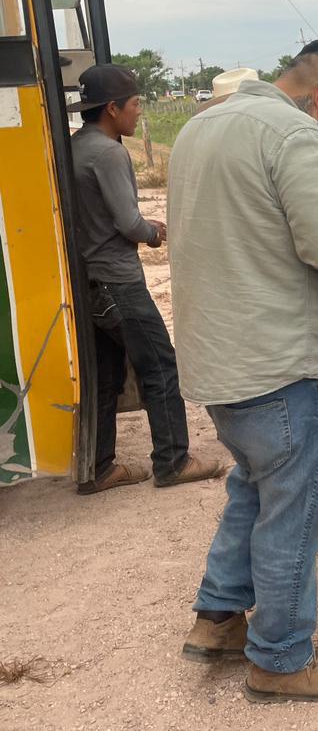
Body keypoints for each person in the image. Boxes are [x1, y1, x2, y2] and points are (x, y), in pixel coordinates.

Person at [167, 38, 318, 704]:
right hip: (284, 363)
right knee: (297, 506)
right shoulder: (294, 132)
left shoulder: (200, 128)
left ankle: (217, 618)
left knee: (256, 487)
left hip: (221, 361)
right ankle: (281, 656)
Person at [69, 65, 221, 495]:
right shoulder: (109, 152)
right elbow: (127, 222)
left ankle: (98, 467)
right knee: (160, 364)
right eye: (135, 105)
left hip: (89, 283)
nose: (139, 113)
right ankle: (173, 461)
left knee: (104, 375)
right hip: (118, 282)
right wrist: (153, 231)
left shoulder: (75, 147)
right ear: (112, 108)